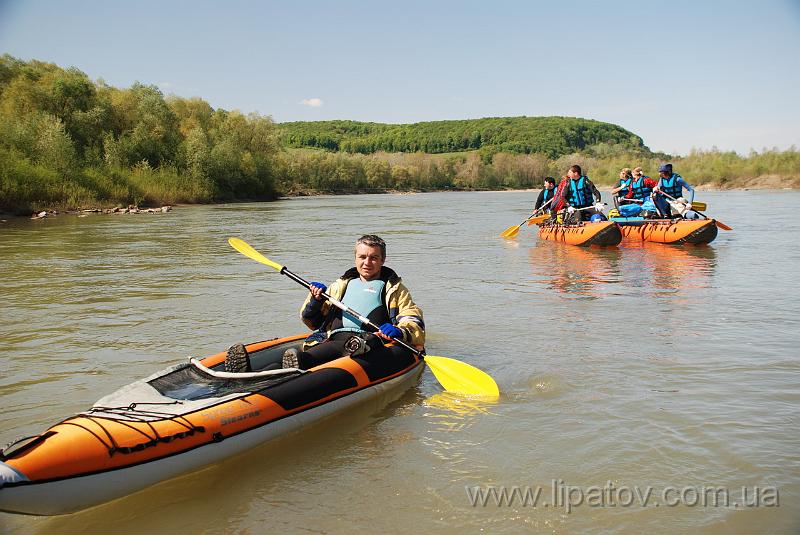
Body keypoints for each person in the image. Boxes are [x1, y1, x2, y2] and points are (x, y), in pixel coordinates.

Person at [281, 234, 425, 370]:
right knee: (326, 350)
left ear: (383, 260)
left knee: (365, 341)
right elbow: (312, 322)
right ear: (355, 258)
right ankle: (295, 364)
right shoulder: (339, 286)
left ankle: (353, 348)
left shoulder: (395, 289)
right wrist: (316, 299)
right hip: (336, 339)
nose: (367, 262)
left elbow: (413, 319)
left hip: (374, 342)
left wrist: (400, 330)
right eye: (362, 257)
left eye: (374, 258)